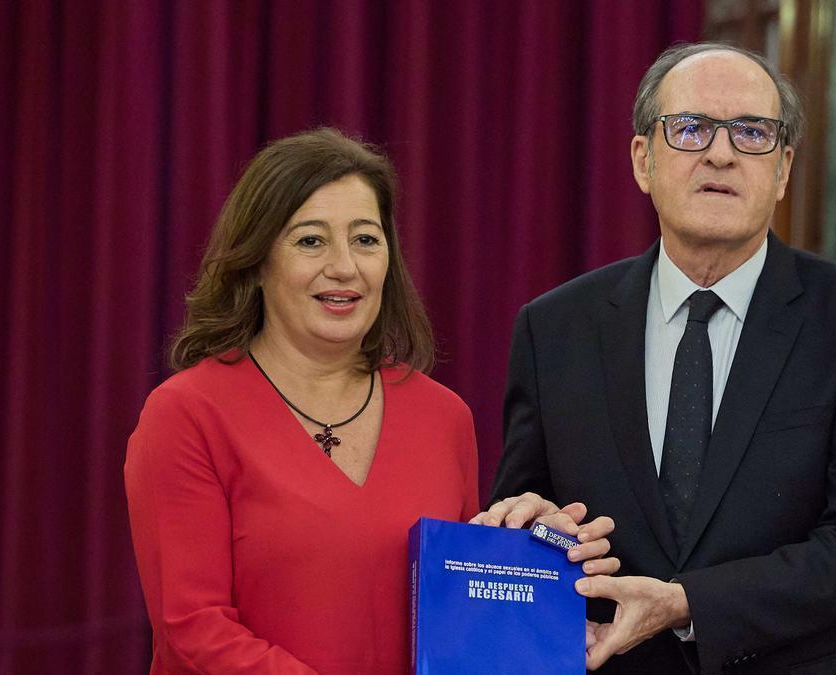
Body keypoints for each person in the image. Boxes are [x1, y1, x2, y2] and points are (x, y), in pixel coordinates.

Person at [478, 43, 836, 674]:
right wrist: (537, 530)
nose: (721, 153)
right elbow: (527, 517)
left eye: (752, 133)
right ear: (643, 159)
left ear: (783, 169)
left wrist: (685, 603)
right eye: (689, 129)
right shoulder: (555, 328)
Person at [124, 128, 618, 674]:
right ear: (257, 261)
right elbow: (193, 628)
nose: (345, 267)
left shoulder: (443, 416)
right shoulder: (187, 414)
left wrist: (537, 560)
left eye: (365, 239)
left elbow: (454, 616)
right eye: (310, 240)